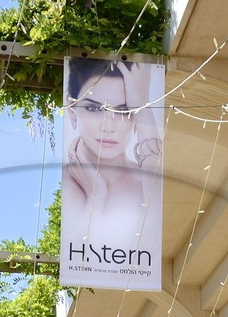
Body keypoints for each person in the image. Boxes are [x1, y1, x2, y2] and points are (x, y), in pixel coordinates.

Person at [62, 58, 163, 257]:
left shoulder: (150, 183)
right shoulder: (65, 182)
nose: (108, 126)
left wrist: (143, 109)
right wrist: (96, 196)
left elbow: (153, 244)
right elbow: (78, 262)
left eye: (124, 110)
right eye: (94, 108)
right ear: (71, 108)